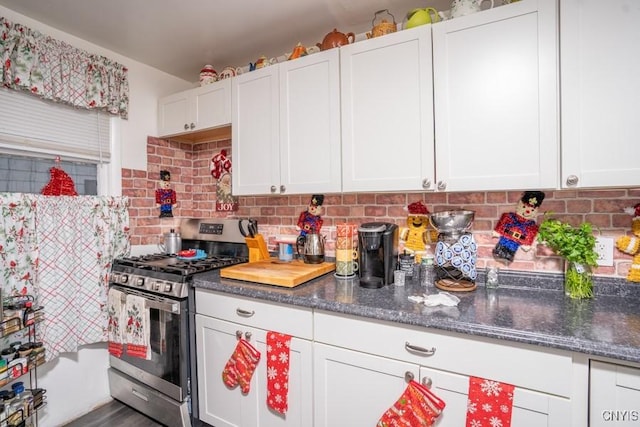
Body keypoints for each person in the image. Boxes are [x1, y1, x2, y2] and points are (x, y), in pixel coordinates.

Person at [493, 191, 545, 263]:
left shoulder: (531, 226)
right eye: (524, 207)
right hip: (505, 239)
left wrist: (527, 244)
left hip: (515, 242)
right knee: (501, 248)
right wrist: (497, 231)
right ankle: (500, 253)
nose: (527, 211)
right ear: (520, 205)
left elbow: (530, 235)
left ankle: (507, 256)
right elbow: (503, 222)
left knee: (510, 251)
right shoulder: (509, 217)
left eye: (532, 210)